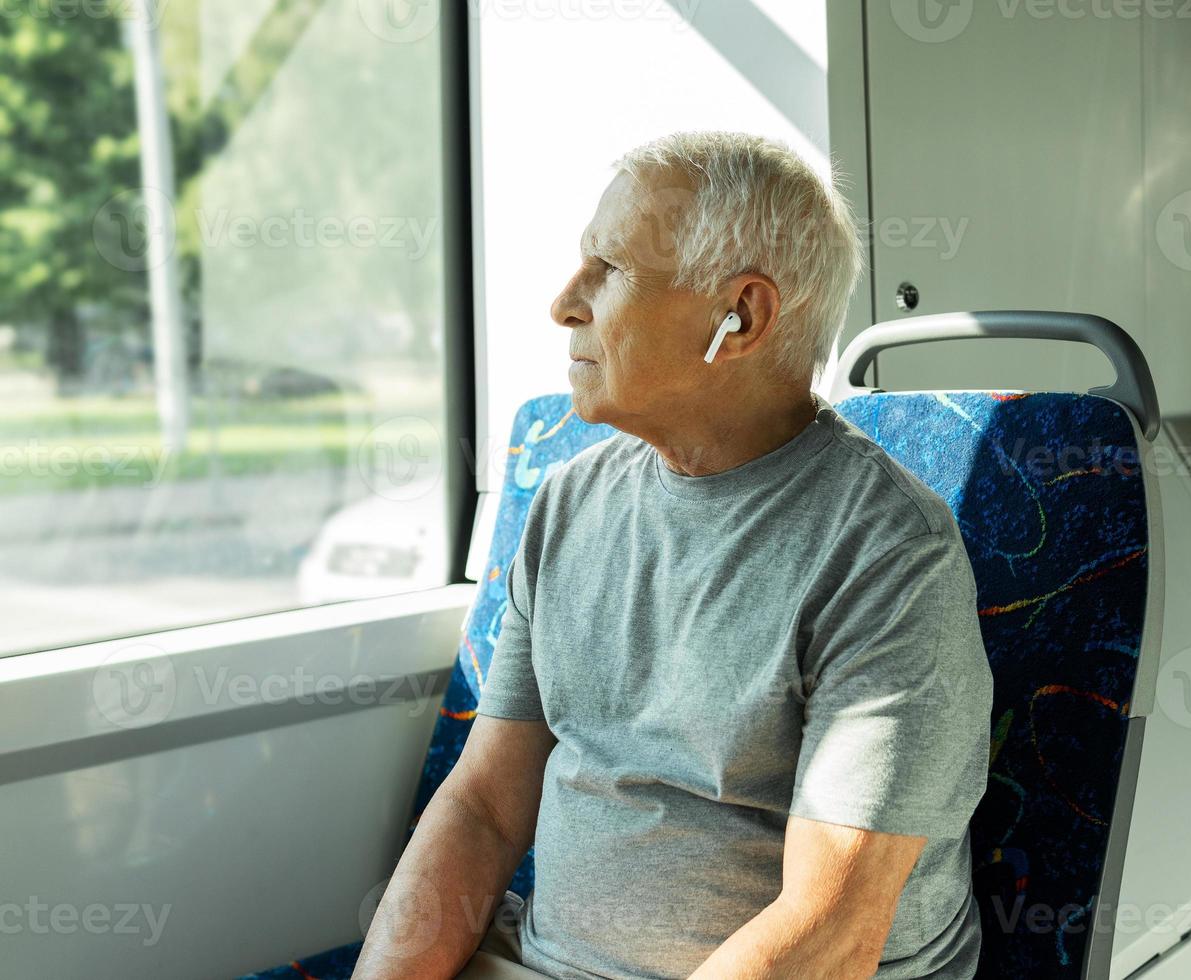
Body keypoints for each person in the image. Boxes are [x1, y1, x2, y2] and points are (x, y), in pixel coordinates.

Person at [354, 131, 993, 980]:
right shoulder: (567, 503)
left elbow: (829, 932)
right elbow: (482, 809)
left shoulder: (888, 557)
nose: (564, 304)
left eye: (609, 270)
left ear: (743, 318)